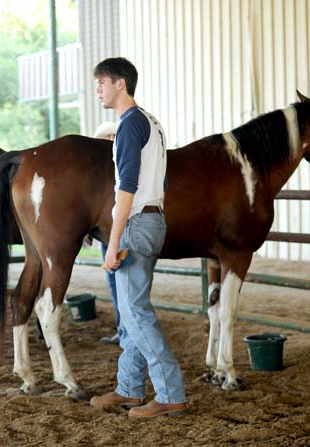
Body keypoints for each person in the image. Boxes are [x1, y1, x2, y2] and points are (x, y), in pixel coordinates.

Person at [89, 57, 187, 418]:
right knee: (131, 312)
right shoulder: (151, 122)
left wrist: (112, 243)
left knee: (136, 312)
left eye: (101, 82)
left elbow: (126, 188)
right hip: (153, 218)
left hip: (136, 224)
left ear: (120, 84)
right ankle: (129, 388)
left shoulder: (130, 125)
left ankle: (170, 393)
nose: (97, 89)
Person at [93, 121, 120, 345]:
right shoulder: (102, 171)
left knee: (122, 281)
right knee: (113, 282)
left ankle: (126, 330)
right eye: (107, 138)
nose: (110, 141)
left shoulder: (121, 165)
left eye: (112, 137)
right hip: (106, 232)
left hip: (118, 231)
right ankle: (122, 328)